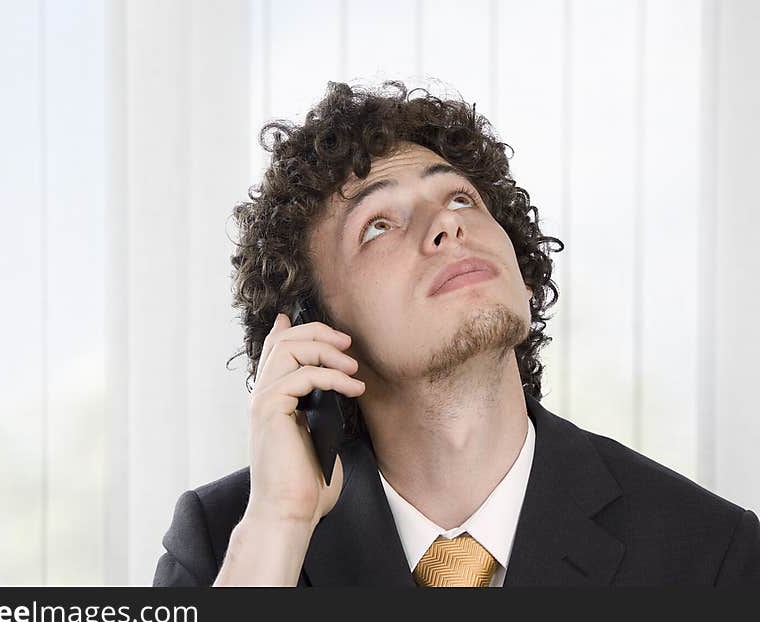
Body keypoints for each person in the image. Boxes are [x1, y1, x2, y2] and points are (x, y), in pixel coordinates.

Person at [153, 80, 760, 587]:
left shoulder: (711, 555)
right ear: (316, 331)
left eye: (463, 199)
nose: (446, 223)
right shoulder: (224, 543)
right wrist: (279, 525)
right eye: (378, 225)